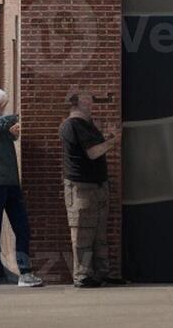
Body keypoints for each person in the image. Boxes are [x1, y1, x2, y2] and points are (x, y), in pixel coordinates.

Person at [0, 88, 41, 287]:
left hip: (11, 184)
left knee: (22, 228)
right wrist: (18, 116)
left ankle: (25, 272)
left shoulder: (1, 124)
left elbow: (10, 134)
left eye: (3, 106)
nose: (2, 110)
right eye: (0, 106)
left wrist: (12, 130)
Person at [60, 88, 120, 288]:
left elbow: (96, 146)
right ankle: (83, 275)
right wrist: (113, 141)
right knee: (83, 233)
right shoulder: (74, 125)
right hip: (81, 187)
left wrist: (107, 137)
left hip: (97, 185)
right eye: (87, 102)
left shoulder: (86, 125)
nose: (91, 105)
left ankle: (101, 273)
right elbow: (93, 152)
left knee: (99, 233)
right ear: (77, 104)